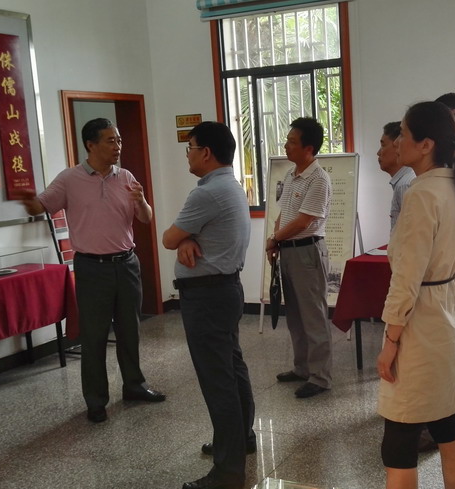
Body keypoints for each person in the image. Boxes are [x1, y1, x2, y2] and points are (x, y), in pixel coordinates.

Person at [18, 118, 165, 424]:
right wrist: (25, 198)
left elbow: (147, 218)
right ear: (91, 145)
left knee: (130, 330)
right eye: (111, 141)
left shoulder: (125, 176)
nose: (118, 146)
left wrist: (141, 202)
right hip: (92, 268)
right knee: (94, 336)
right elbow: (40, 206)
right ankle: (96, 400)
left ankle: (134, 386)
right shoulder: (69, 179)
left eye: (119, 140)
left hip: (127, 264)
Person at [376, 101, 455, 489]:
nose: (397, 143)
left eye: (404, 135)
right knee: (447, 426)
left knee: (399, 442)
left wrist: (391, 340)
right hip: (450, 316)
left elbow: (406, 278)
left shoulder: (422, 194)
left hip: (421, 326)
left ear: (426, 145)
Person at [162, 121, 255, 489]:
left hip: (207, 297)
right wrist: (187, 240)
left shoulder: (207, 194)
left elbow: (169, 237)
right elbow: (183, 238)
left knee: (218, 381)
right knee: (232, 368)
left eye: (190, 147)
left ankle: (228, 471)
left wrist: (182, 239)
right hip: (225, 290)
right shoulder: (230, 186)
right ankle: (241, 438)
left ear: (206, 153)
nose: (187, 154)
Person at [265, 117, 333, 399]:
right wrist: (276, 240)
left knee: (313, 316)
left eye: (292, 142)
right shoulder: (292, 174)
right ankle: (302, 368)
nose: (286, 145)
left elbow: (304, 221)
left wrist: (274, 239)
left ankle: (320, 377)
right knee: (295, 315)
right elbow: (285, 214)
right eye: (287, 140)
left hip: (308, 251)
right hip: (289, 251)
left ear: (309, 148)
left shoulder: (319, 179)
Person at [378, 121, 415, 232]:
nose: (378, 152)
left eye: (383, 145)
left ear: (398, 145)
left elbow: (410, 233)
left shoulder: (405, 184)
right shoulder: (405, 180)